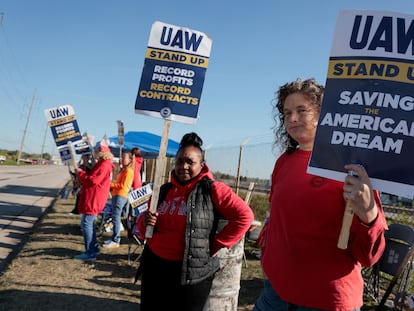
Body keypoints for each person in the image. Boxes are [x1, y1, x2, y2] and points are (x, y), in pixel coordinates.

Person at [253, 78, 388, 311]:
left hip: (326, 300)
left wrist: (369, 214)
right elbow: (278, 219)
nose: (292, 118)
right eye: (286, 113)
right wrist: (268, 254)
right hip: (275, 294)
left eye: (301, 110)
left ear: (323, 113)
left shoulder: (350, 166)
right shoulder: (283, 162)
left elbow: (369, 257)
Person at [137, 132, 254, 311]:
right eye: (179, 161)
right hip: (155, 266)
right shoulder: (163, 191)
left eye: (190, 162)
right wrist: (145, 220)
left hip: (190, 272)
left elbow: (244, 217)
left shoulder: (213, 189)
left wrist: (216, 245)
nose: (183, 166)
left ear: (202, 164)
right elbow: (141, 226)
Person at [74, 141, 114, 261]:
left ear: (101, 153)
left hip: (94, 198)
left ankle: (90, 252)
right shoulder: (103, 163)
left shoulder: (104, 165)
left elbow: (93, 180)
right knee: (88, 224)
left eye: (96, 151)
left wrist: (81, 174)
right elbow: (93, 175)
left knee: (86, 224)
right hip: (94, 197)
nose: (94, 153)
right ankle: (93, 248)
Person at [103, 151, 134, 249]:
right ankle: (114, 238)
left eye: (124, 157)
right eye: (122, 157)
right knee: (114, 217)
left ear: (130, 160)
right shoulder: (123, 170)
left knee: (116, 218)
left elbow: (123, 186)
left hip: (121, 195)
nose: (122, 159)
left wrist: (110, 184)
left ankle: (116, 240)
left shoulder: (128, 171)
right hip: (117, 195)